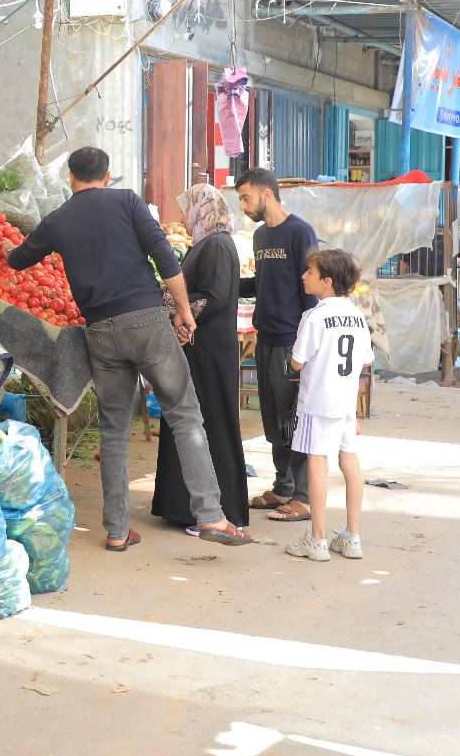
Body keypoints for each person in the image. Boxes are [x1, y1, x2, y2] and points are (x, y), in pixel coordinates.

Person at [5, 147, 252, 549]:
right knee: (186, 415)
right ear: (107, 176)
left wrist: (5, 253)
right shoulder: (127, 201)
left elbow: (20, 260)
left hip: (101, 332)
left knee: (114, 431)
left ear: (71, 177)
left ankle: (117, 532)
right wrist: (184, 312)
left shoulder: (58, 219)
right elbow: (165, 259)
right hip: (147, 323)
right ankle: (210, 516)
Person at [151, 183, 249, 531]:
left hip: (207, 350)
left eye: (188, 208)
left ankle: (211, 509)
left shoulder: (218, 245)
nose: (183, 216)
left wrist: (184, 317)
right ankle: (185, 506)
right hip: (198, 344)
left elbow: (214, 296)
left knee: (206, 424)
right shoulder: (207, 243)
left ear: (203, 210)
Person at [235, 168, 320, 524]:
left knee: (292, 419)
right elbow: (263, 282)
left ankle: (302, 496)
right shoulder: (258, 236)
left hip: (292, 342)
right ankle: (282, 486)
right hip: (265, 337)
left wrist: (307, 345)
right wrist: (227, 283)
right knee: (272, 418)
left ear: (266, 194)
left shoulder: (300, 232)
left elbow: (311, 289)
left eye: (246, 197)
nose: (243, 205)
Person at [285, 248, 373, 563]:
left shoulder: (314, 316)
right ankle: (352, 536)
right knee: (350, 464)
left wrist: (294, 364)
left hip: (318, 402)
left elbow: (296, 362)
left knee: (317, 466)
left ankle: (318, 540)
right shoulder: (357, 315)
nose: (304, 276)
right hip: (346, 404)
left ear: (327, 280)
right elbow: (364, 360)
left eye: (310, 271)